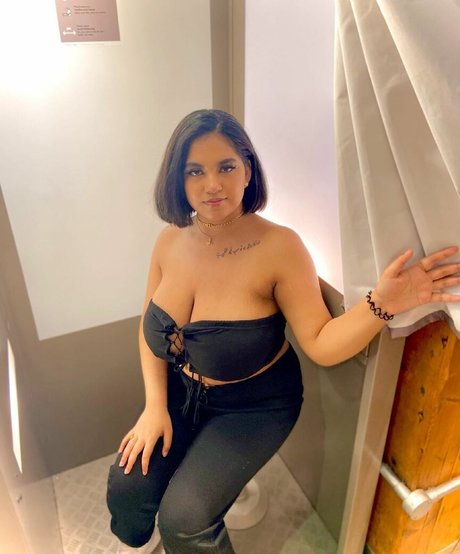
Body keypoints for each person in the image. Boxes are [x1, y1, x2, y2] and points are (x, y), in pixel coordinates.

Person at [106, 109, 460, 554]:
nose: (212, 184)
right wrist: (154, 407)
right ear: (178, 179)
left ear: (248, 170)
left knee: (185, 519)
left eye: (226, 167)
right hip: (182, 394)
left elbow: (321, 343)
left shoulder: (280, 247)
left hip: (254, 406)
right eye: (195, 171)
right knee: (126, 488)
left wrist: (383, 304)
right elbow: (149, 332)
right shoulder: (169, 241)